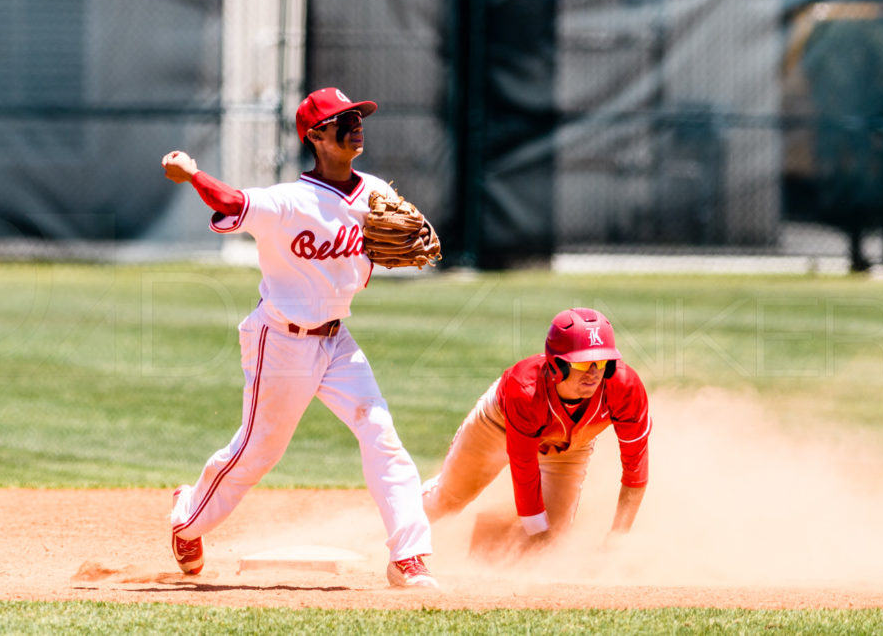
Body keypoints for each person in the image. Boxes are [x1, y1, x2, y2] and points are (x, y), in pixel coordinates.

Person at [161, 87, 438, 589]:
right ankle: (186, 519)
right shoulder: (287, 201)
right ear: (315, 134)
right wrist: (192, 173)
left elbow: (404, 236)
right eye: (343, 120)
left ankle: (409, 557)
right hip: (281, 341)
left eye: (358, 116)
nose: (356, 124)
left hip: (337, 342)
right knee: (256, 453)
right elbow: (231, 201)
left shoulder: (375, 190)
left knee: (382, 437)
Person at [422, 307, 650, 553]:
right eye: (584, 364)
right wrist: (538, 534)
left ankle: (486, 541)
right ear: (558, 364)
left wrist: (619, 533)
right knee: (449, 499)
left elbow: (635, 468)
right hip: (498, 425)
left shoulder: (625, 388)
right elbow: (524, 471)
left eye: (603, 361)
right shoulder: (525, 391)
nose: (594, 373)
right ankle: (391, 537)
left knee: (553, 538)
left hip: (570, 447)